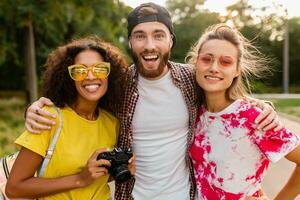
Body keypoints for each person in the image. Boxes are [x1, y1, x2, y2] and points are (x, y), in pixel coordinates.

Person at [24, 3, 282, 200]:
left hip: (185, 195)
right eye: (140, 36)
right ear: (130, 42)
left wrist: (261, 105)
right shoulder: (117, 86)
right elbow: (80, 97)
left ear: (171, 40)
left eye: (158, 35)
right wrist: (35, 108)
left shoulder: (190, 78)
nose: (149, 45)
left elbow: (221, 86)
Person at [5, 36, 134, 199]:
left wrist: (124, 169)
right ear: (68, 77)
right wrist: (79, 179)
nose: (90, 76)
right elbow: (15, 188)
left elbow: (98, 177)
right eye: (79, 70)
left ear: (110, 74)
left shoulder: (112, 122)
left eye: (100, 69)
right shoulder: (48, 118)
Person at [187, 24, 300, 199]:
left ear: (237, 70)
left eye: (226, 62)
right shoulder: (193, 112)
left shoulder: (254, 118)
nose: (214, 67)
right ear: (196, 63)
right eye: (206, 59)